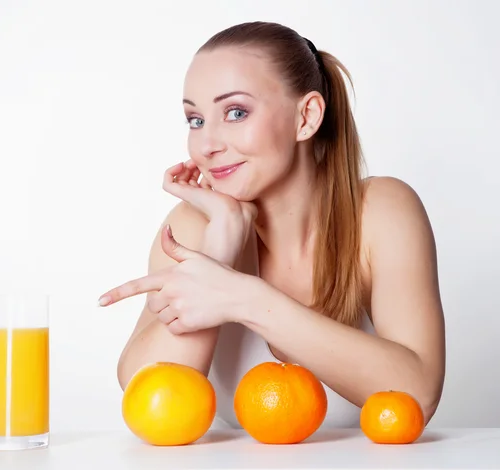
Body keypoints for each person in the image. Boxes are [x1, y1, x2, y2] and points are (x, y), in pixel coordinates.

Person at [98, 21, 446, 429]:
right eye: (195, 120)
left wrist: (242, 298)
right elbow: (151, 401)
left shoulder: (381, 210)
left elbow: (416, 393)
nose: (206, 144)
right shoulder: (193, 229)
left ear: (306, 117)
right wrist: (220, 247)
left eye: (236, 112)